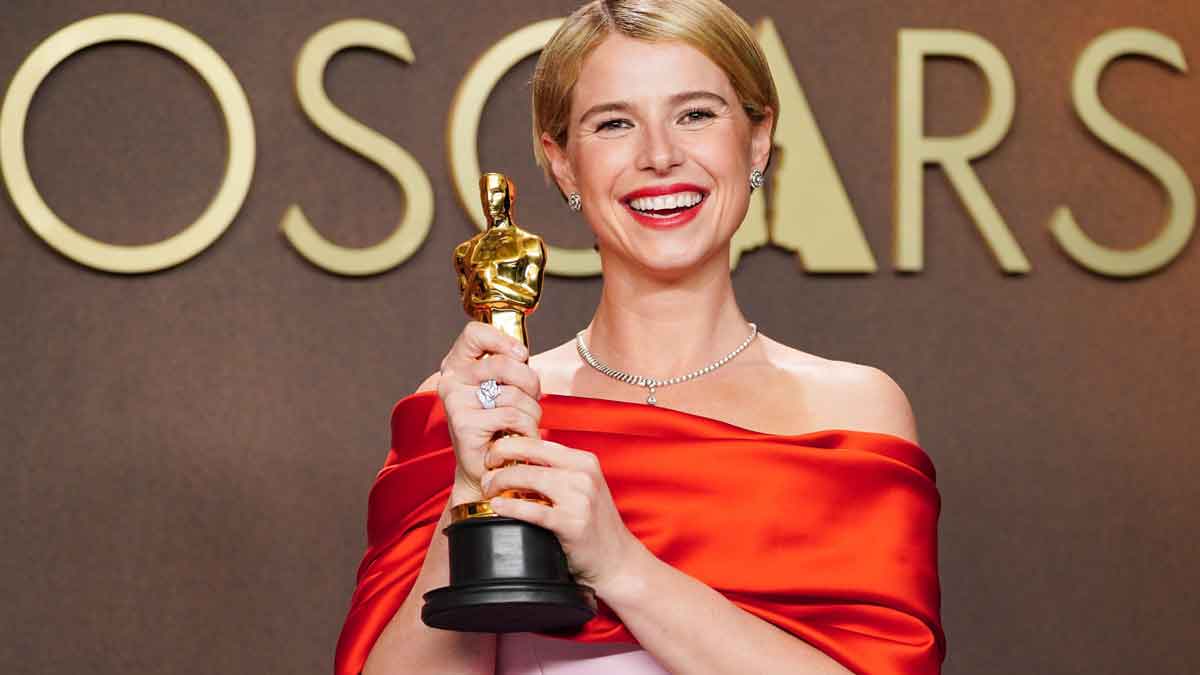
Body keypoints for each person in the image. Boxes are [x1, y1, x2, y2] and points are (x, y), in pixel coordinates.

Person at [335, 1, 944, 673]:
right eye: (615, 123)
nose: (660, 155)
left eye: (697, 114)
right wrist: (472, 484)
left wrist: (622, 564)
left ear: (759, 139)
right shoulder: (479, 412)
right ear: (562, 162)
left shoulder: (850, 415)